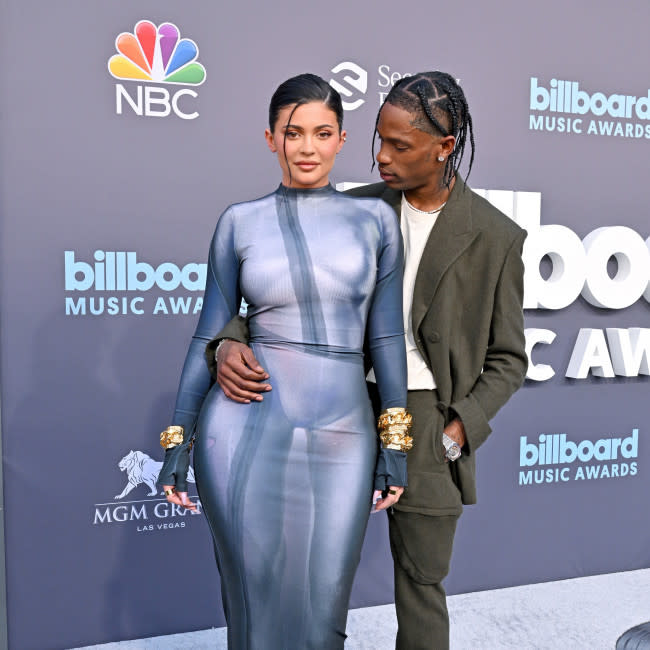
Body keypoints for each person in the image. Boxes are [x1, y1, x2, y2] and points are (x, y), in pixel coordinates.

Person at [211, 71, 528, 650]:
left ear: (445, 147)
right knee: (304, 569)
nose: (381, 156)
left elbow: (509, 357)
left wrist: (460, 427)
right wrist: (228, 340)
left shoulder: (495, 237)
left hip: (431, 421)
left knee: (421, 580)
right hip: (337, 405)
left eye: (399, 146)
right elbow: (263, 295)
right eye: (378, 140)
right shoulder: (351, 207)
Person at [156, 73, 412, 650]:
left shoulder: (375, 222)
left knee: (323, 610)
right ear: (270, 138)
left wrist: (395, 441)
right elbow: (208, 335)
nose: (307, 147)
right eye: (292, 133)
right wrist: (178, 438)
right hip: (245, 425)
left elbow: (387, 340)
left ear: (342, 140)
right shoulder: (239, 222)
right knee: (253, 604)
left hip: (344, 433)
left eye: (322, 133)